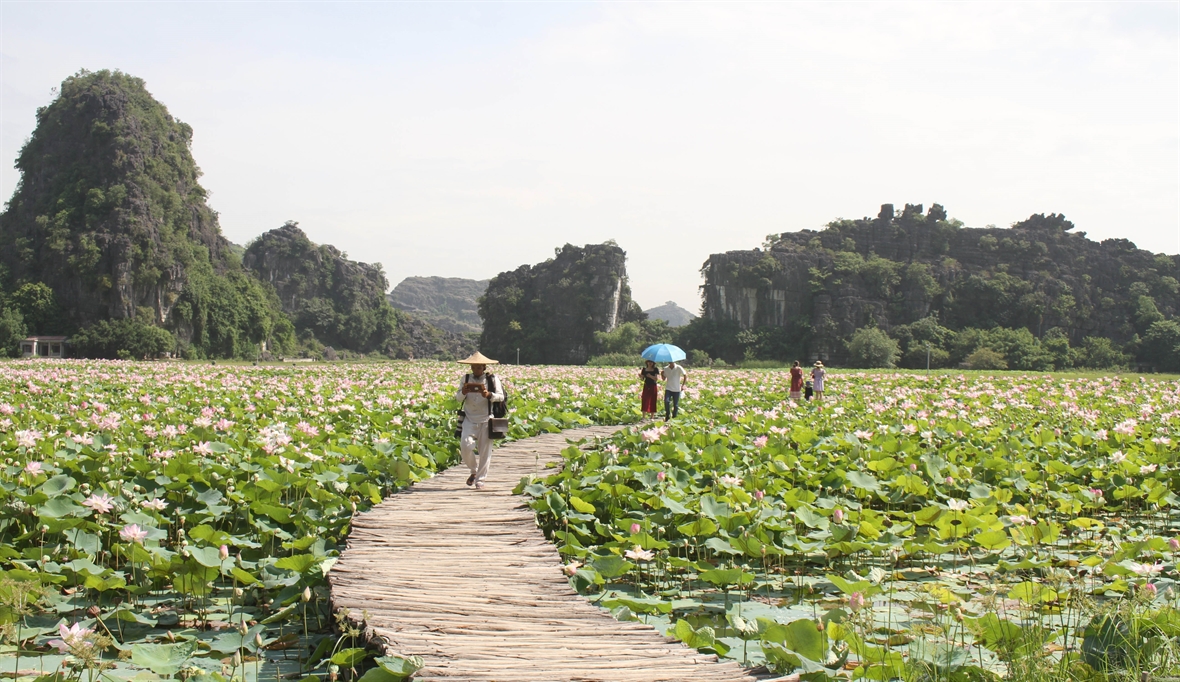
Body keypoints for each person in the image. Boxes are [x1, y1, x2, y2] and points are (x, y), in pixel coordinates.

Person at [455, 351, 505, 490]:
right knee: (465, 446)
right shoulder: (465, 379)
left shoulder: (493, 379)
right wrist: (463, 392)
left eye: (478, 367)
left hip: (486, 419)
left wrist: (488, 395)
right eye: (473, 366)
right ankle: (473, 470)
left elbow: (501, 397)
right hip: (469, 419)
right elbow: (458, 398)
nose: (475, 369)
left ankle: (480, 480)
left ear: (484, 367)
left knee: (485, 451)